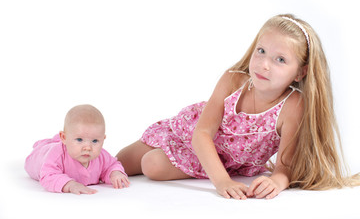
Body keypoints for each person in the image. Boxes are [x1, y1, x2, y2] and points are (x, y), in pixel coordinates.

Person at [116, 14, 360, 200]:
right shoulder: (234, 79)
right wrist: (222, 182)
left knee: (153, 165)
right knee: (118, 163)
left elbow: (284, 168)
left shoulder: (293, 105)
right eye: (261, 51)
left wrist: (277, 181)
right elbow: (201, 134)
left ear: (300, 73)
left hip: (221, 161)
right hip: (192, 134)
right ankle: (81, 160)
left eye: (280, 60)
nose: (264, 64)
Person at [25, 104, 130, 194]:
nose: (88, 147)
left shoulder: (102, 156)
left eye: (95, 141)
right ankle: (49, 142)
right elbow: (48, 176)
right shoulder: (56, 156)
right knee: (45, 149)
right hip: (40, 155)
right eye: (79, 140)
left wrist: (115, 173)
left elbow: (112, 165)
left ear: (103, 139)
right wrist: (69, 185)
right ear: (64, 138)